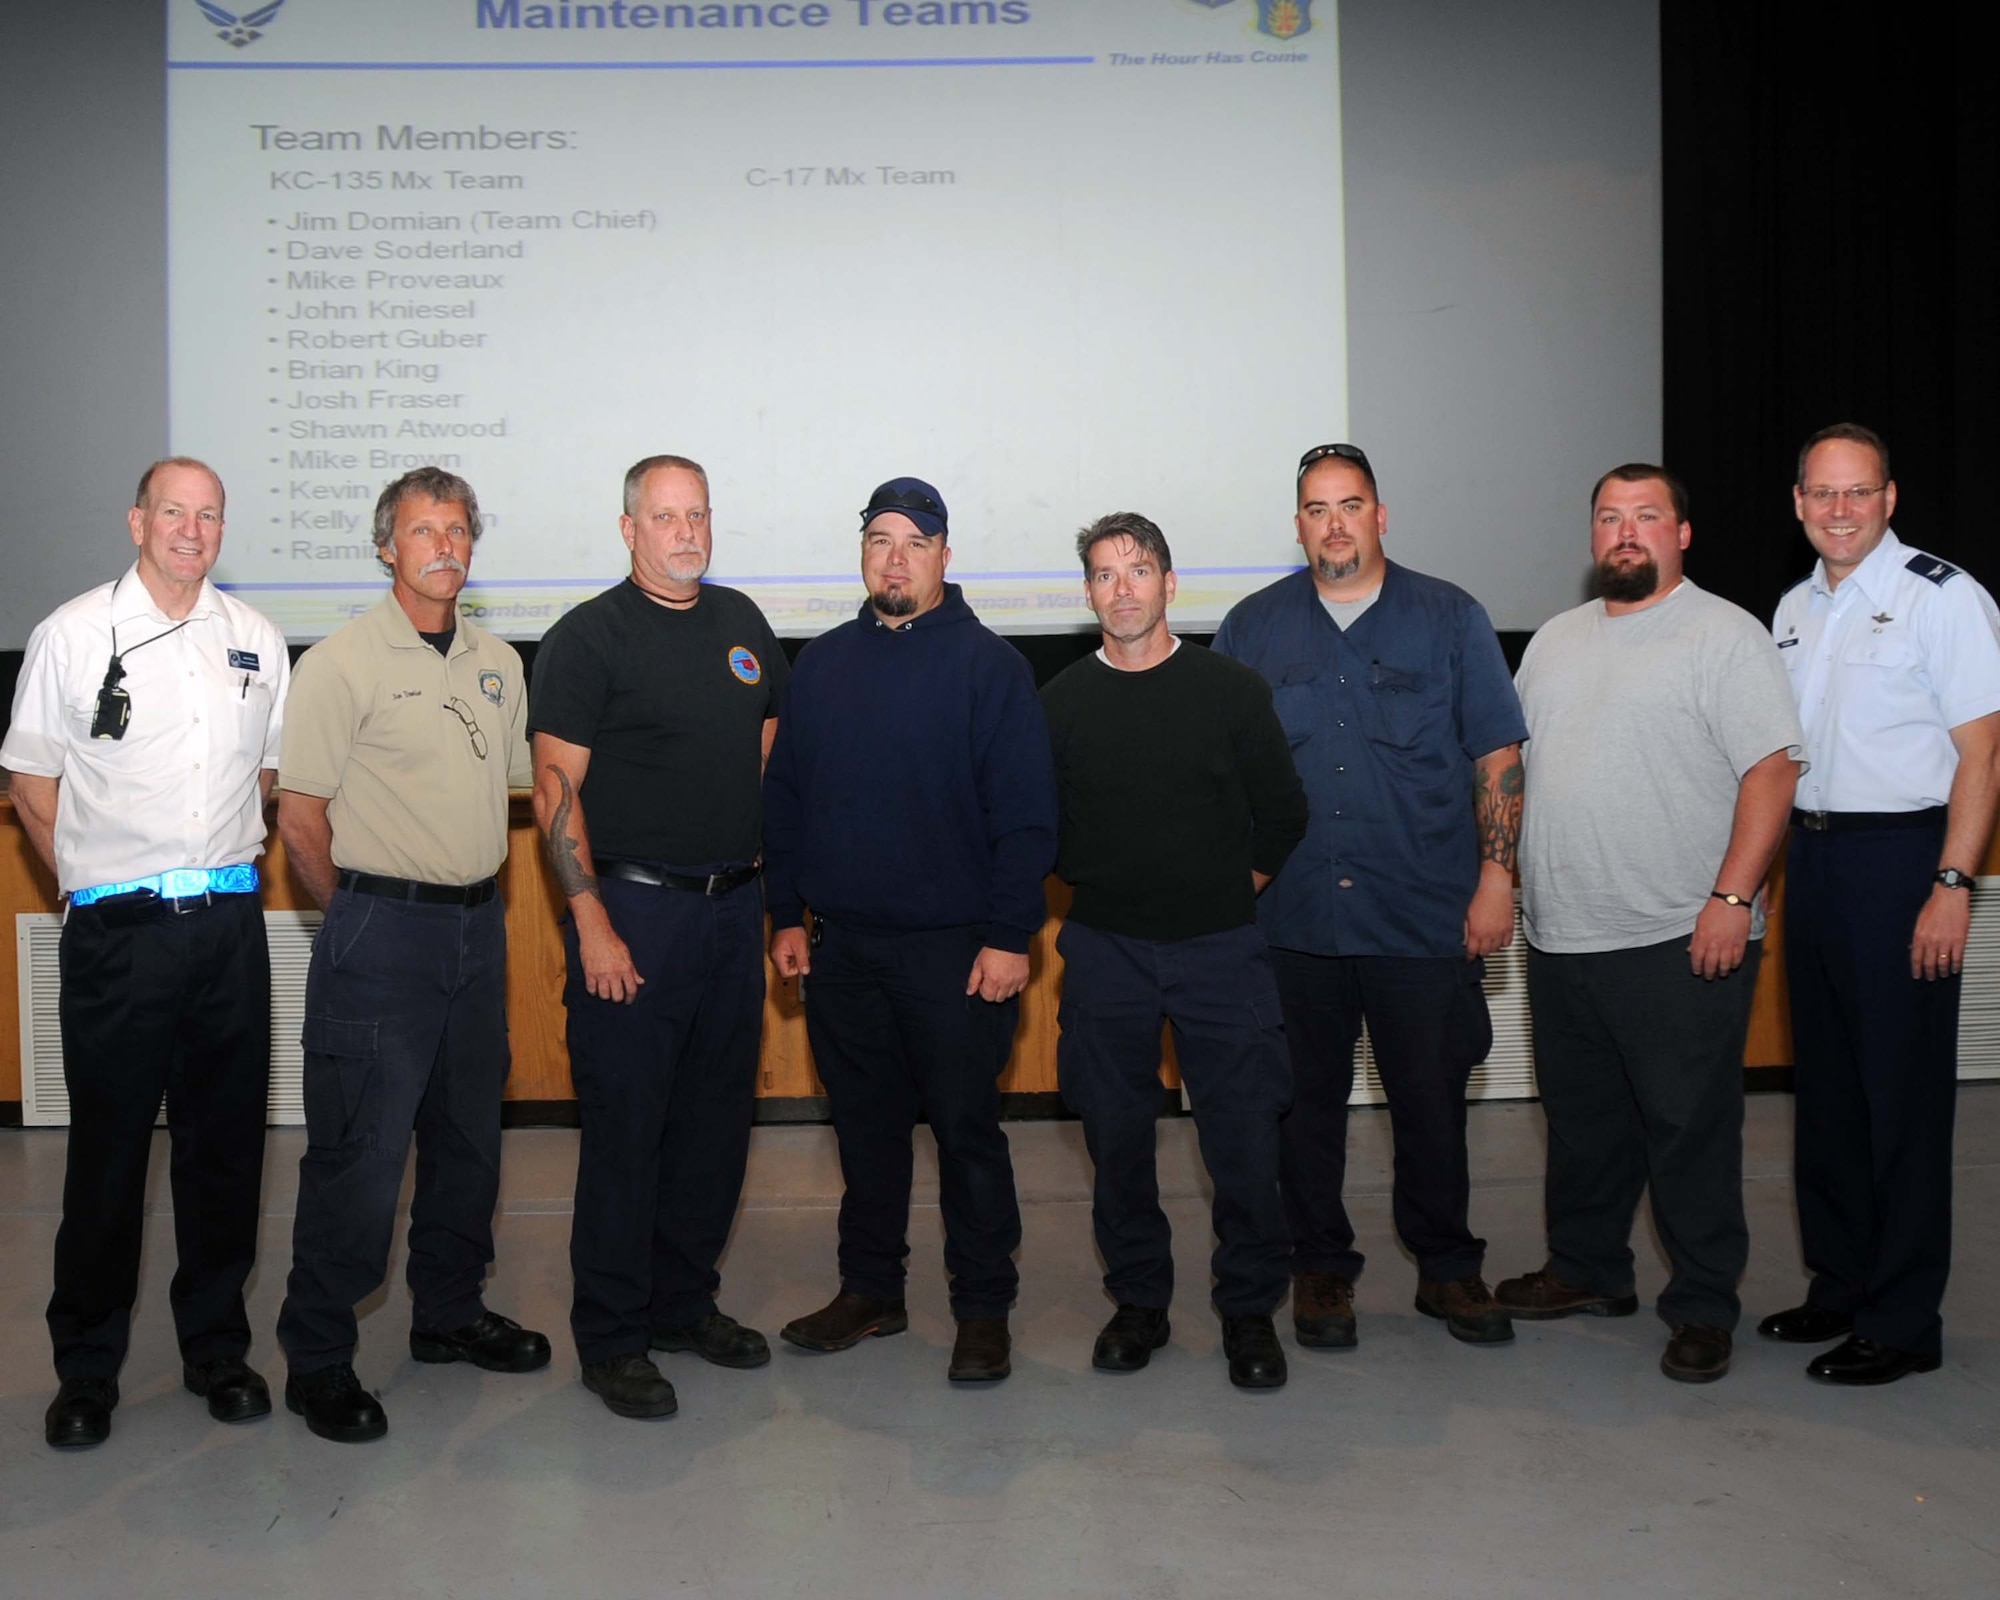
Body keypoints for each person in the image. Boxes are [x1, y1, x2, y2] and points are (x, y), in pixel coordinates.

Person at [1495, 463, 1803, 1383]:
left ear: (1682, 533)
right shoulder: (1552, 639)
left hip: (1680, 934)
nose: (1625, 532)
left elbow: (1773, 771)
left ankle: (1705, 1303)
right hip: (1563, 935)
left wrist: (1733, 899)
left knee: (1688, 1130)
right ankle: (1589, 1270)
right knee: (1583, 1124)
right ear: (1593, 537)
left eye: (1646, 517)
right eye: (1609, 518)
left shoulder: (1723, 634)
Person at [1214, 443, 1525, 1349]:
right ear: (1299, 525)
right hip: (1292, 920)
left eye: (1351, 505)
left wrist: (1497, 878)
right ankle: (1319, 1272)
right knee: (1300, 1112)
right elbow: (1220, 773)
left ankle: (1448, 1270)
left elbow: (1497, 754)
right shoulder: (1251, 628)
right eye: (1317, 508)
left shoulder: (1451, 617)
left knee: (1431, 1105)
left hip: (1422, 914)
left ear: (1381, 516)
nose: (1335, 524)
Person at [4, 458, 288, 1450]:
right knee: (109, 1155)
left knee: (225, 1152)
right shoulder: (73, 633)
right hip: (117, 933)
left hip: (227, 928)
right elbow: (32, 781)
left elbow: (265, 777)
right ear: (137, 520)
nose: (191, 530)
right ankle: (85, 1367)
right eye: (174, 511)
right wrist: (79, 883)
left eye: (209, 514)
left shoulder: (253, 640)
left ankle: (216, 1347)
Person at [273, 466, 548, 1443]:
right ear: (386, 545)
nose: (445, 544)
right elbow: (299, 813)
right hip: (379, 932)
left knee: (468, 1140)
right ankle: (317, 1356)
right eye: (423, 529)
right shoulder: (340, 663)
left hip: (479, 928)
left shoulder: (497, 662)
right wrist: (351, 914)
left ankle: (447, 1312)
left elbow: (523, 784)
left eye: (459, 528)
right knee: (361, 1152)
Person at [762, 476, 1057, 1383]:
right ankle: (871, 1291)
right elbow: (786, 798)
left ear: (944, 556)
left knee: (967, 1131)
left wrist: (1011, 938)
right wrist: (785, 914)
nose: (895, 557)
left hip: (959, 952)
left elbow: (1027, 818)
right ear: (863, 553)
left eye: (914, 542)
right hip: (844, 948)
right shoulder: (821, 663)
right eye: (880, 540)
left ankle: (982, 1309)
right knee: (865, 1131)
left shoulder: (991, 668)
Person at [529, 454, 788, 1420]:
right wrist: (590, 921)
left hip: (730, 913)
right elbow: (556, 791)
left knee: (715, 1128)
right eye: (665, 517)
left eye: (698, 516)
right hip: (632, 915)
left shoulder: (743, 625)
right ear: (629, 528)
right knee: (628, 1133)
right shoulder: (588, 639)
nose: (685, 533)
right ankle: (612, 1335)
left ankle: (684, 1304)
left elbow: (767, 747)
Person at [1042, 513, 1307, 1388]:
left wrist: (1232, 895)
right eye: (1106, 575)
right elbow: (1040, 828)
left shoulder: (1231, 691)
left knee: (1242, 1142)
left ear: (1168, 582)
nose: (1124, 588)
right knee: (1116, 1140)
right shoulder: (1062, 704)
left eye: (1139, 569)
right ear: (1089, 594)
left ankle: (1248, 1313)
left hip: (1220, 951)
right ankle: (1139, 1303)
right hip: (1106, 951)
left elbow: (1285, 813)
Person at [1761, 423, 2000, 1386]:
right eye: (1823, 493)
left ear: (1890, 499)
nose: (1840, 509)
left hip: (1903, 860)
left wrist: (1954, 884)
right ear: (1799, 502)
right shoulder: (1791, 608)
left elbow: (1983, 755)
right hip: (1814, 864)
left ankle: (1903, 1320)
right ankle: (1842, 1285)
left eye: (1858, 492)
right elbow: (1785, 763)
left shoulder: (1942, 599)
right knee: (1825, 1094)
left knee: (1898, 1101)